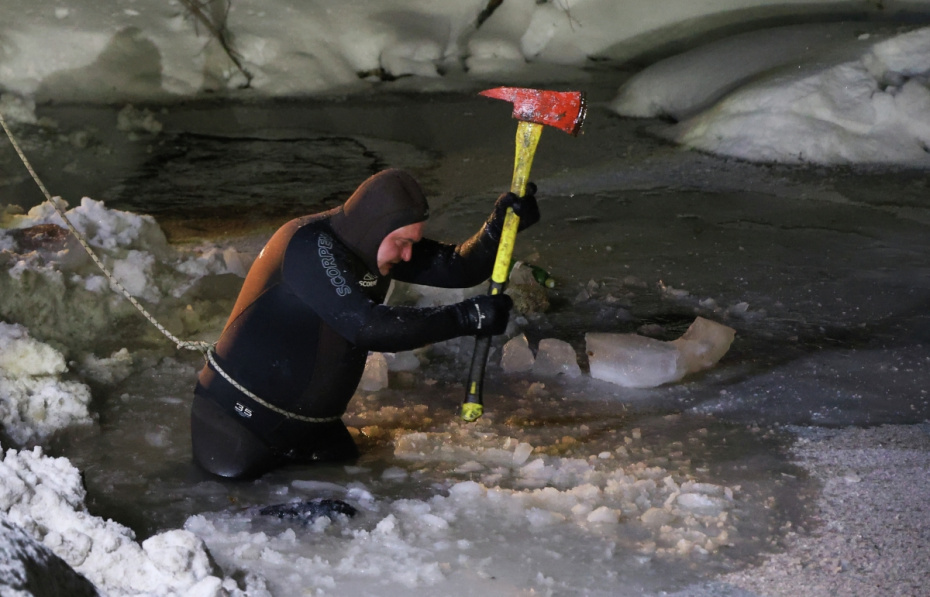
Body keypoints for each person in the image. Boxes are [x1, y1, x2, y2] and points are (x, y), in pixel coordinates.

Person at [191, 168, 540, 479]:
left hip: (315, 432)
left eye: (412, 244)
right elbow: (367, 326)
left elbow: (457, 266)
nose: (407, 255)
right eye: (402, 243)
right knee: (238, 502)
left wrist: (499, 229)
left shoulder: (374, 246)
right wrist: (466, 317)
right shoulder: (308, 246)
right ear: (375, 228)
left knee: (357, 487)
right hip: (236, 428)